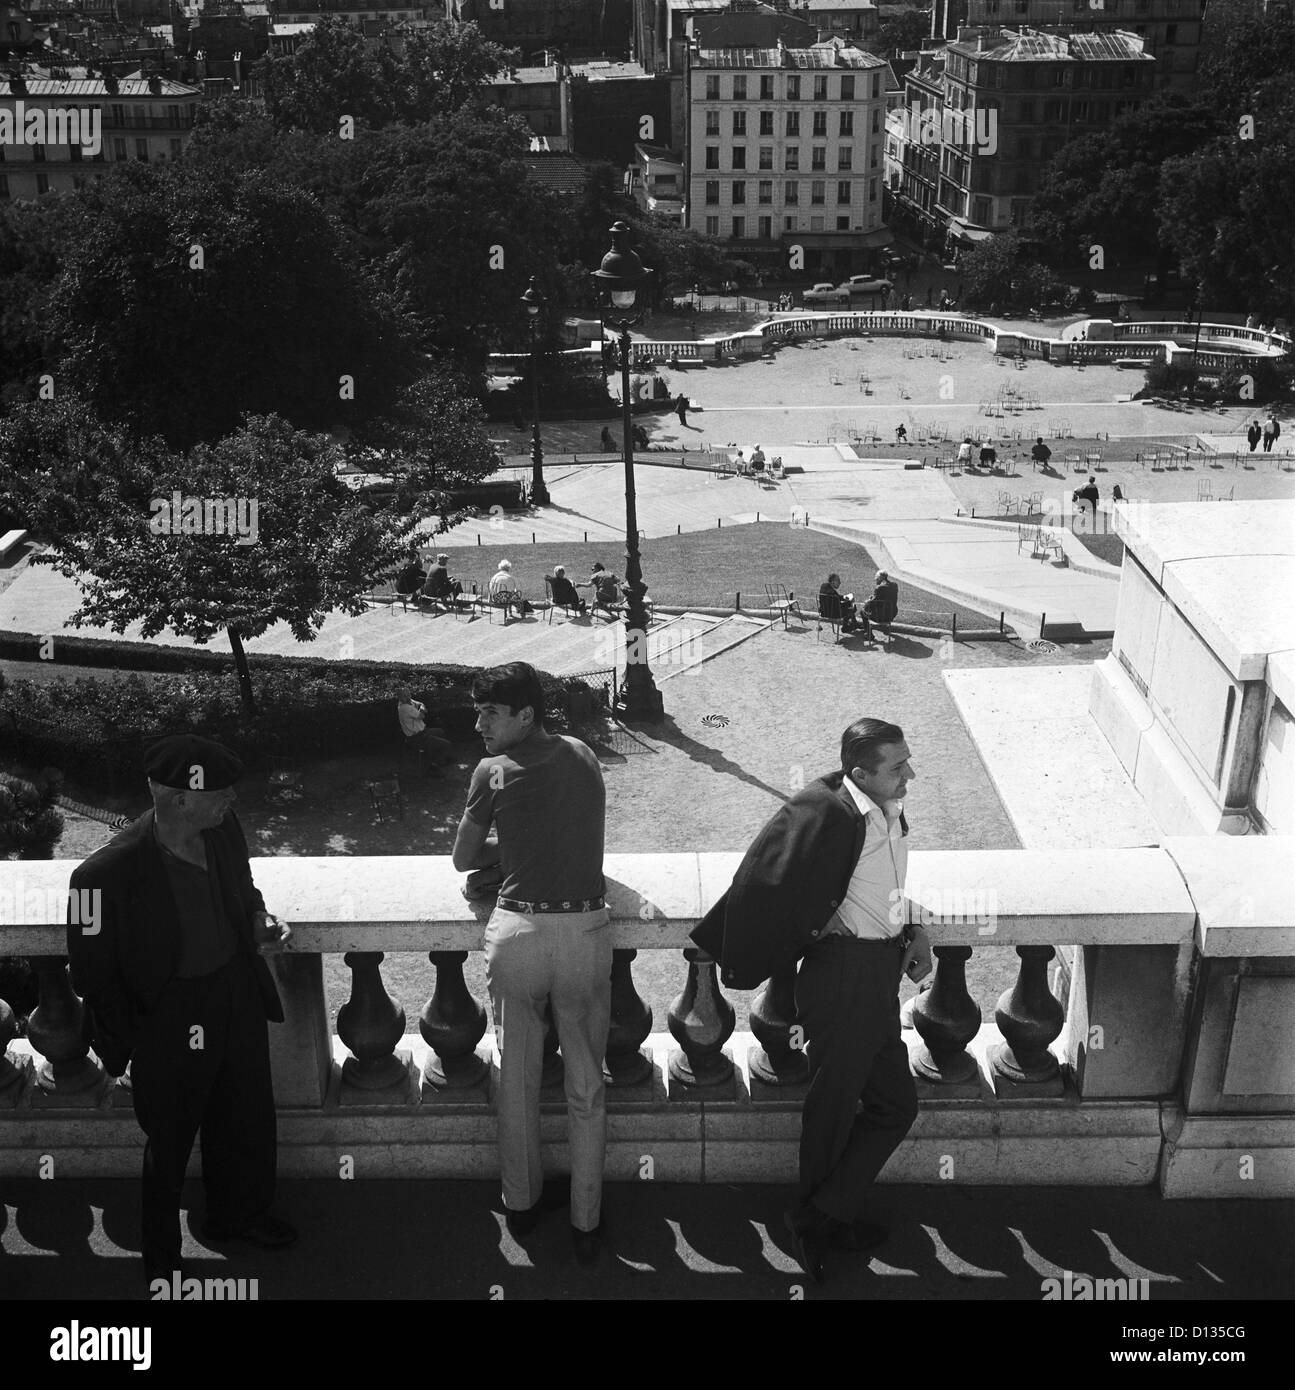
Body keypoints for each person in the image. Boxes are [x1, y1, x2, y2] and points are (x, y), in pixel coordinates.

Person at [690, 719, 928, 1285]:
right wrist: (797, 938)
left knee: (895, 1106)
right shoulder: (827, 813)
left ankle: (828, 1212)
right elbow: (766, 876)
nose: (910, 775)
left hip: (879, 973)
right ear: (859, 772)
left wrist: (914, 928)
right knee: (833, 1107)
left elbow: (880, 885)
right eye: (897, 767)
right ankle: (815, 1225)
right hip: (844, 977)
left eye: (907, 761)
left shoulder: (886, 810)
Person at [66, 734, 296, 1292]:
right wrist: (133, 1043)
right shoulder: (95, 878)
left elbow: (244, 888)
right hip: (168, 1017)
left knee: (246, 1115)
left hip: (234, 994)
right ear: (180, 799)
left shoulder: (221, 831)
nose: (232, 802)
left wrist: (261, 917)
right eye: (221, 794)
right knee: (168, 1142)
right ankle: (162, 1260)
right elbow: (90, 974)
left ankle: (239, 1216)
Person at [453, 663, 612, 1266]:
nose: (478, 724)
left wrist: (509, 844)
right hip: (585, 932)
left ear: (525, 715)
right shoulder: (582, 753)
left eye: (490, 713)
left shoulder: (491, 773)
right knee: (587, 1084)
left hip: (518, 935)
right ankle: (587, 1219)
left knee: (516, 1077)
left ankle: (521, 1204)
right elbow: (580, 828)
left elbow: (463, 860)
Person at [397, 685, 451, 775]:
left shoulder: (409, 702)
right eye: (404, 696)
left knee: (440, 732)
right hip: (417, 738)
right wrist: (422, 708)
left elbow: (420, 704)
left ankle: (440, 758)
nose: (408, 697)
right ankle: (433, 767)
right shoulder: (404, 707)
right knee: (446, 745)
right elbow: (422, 715)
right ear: (399, 697)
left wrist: (421, 707)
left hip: (424, 732)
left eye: (408, 694)